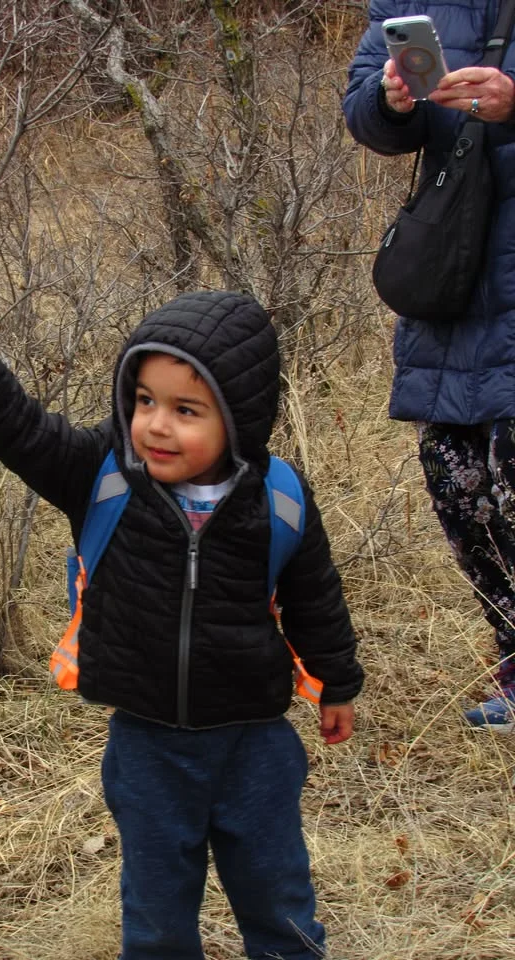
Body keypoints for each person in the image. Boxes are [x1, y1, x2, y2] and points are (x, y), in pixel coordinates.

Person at [0, 289, 363, 960]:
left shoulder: (277, 497)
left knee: (281, 907)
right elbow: (25, 432)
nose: (156, 425)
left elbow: (315, 598)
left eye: (186, 410)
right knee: (157, 921)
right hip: (148, 748)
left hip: (254, 746)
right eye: (145, 400)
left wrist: (336, 683)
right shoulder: (104, 477)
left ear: (238, 419)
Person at [343, 2, 515, 731]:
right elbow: (362, 107)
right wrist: (391, 99)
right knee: (460, 487)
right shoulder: (408, 4)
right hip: (453, 277)